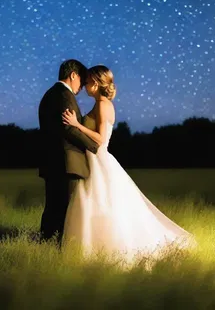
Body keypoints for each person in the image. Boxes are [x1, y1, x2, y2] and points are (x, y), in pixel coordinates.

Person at [61, 65, 196, 266]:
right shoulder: (100, 103)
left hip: (99, 160)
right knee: (95, 204)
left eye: (88, 81)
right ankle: (94, 251)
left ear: (96, 84)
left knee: (103, 204)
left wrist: (76, 124)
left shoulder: (103, 105)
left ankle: (107, 252)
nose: (85, 85)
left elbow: (100, 138)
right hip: (93, 160)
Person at [38, 59, 100, 244]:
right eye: (81, 80)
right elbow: (69, 129)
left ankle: (46, 245)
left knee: (53, 208)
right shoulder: (64, 95)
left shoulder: (50, 94)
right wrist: (94, 147)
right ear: (73, 75)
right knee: (65, 210)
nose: (82, 86)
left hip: (53, 160)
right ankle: (56, 250)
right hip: (66, 162)